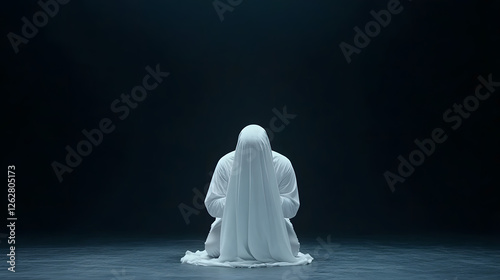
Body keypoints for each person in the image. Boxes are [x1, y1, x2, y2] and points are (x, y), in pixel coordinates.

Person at [181, 124, 312, 267]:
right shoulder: (226, 163)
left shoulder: (282, 164)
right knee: (212, 248)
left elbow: (292, 208)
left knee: (291, 249)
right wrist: (240, 199)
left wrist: (265, 196)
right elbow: (212, 205)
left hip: (272, 224)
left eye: (256, 149)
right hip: (232, 223)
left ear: (266, 145)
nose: (251, 155)